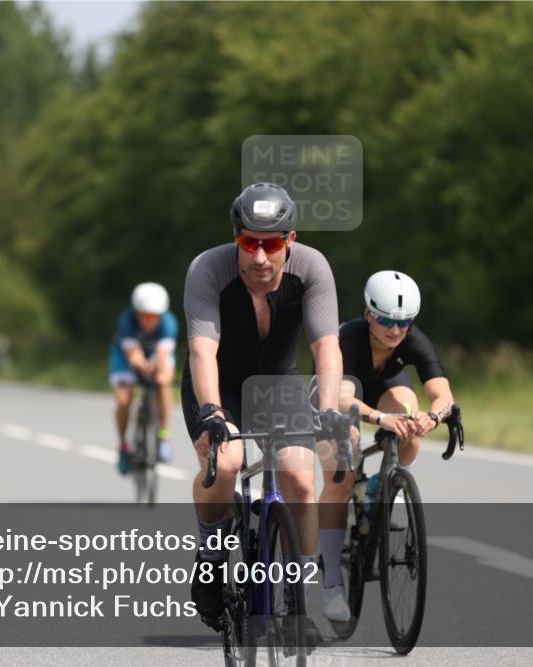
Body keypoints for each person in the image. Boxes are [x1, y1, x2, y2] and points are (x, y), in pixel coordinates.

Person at [182, 182, 345, 645]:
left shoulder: (312, 268)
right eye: (249, 242)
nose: (259, 257)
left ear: (289, 240)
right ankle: (211, 560)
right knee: (227, 463)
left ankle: (299, 603)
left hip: (279, 382)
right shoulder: (208, 269)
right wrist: (213, 411)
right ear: (236, 237)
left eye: (271, 244)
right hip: (217, 381)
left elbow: (326, 348)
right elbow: (200, 349)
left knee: (299, 476)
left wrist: (329, 410)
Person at [317, 270, 456, 622]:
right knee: (341, 470)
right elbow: (341, 398)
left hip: (382, 392)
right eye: (384, 320)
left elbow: (443, 395)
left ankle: (385, 484)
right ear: (368, 314)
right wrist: (380, 420)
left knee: (409, 412)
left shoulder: (414, 340)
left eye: (404, 323)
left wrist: (432, 417)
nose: (395, 331)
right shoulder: (347, 338)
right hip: (338, 399)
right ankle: (332, 581)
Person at [111, 282, 178, 472]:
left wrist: (155, 365)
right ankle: (123, 447)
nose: (148, 320)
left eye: (153, 316)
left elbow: (163, 354)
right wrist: (142, 366)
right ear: (136, 312)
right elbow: (133, 354)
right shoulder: (126, 319)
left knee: (164, 383)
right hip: (124, 356)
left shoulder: (169, 322)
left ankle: (164, 437)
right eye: (143, 315)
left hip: (156, 355)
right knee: (124, 400)